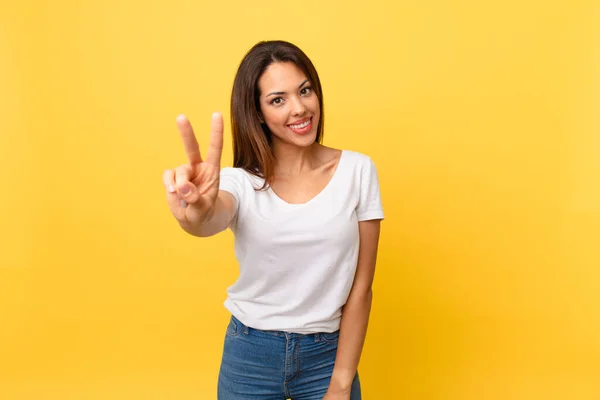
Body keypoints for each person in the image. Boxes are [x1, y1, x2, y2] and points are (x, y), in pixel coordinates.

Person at [162, 40, 384, 400]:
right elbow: (209, 217)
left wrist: (341, 383)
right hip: (250, 354)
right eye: (278, 100)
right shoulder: (239, 182)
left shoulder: (358, 171)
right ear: (258, 113)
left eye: (305, 91)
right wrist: (195, 214)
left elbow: (361, 288)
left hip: (328, 355)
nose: (299, 109)